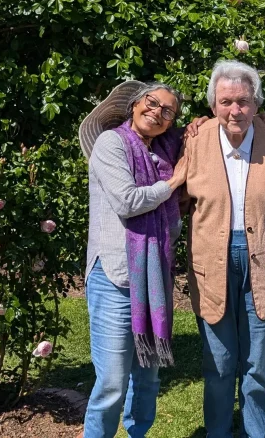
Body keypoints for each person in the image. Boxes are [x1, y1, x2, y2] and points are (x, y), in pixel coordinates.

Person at [181, 60, 265, 438]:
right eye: (226, 101)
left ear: (257, 103)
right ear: (212, 105)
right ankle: (217, 431)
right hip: (211, 262)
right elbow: (175, 198)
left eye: (244, 101)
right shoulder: (194, 140)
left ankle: (254, 432)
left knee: (256, 363)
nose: (235, 110)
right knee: (218, 360)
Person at [78, 81, 188, 438]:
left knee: (147, 377)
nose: (157, 112)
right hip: (113, 276)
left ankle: (138, 433)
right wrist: (173, 184)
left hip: (154, 276)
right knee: (111, 383)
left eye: (167, 111)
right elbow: (127, 201)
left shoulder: (163, 155)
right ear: (135, 104)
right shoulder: (111, 143)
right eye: (152, 103)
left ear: (171, 123)